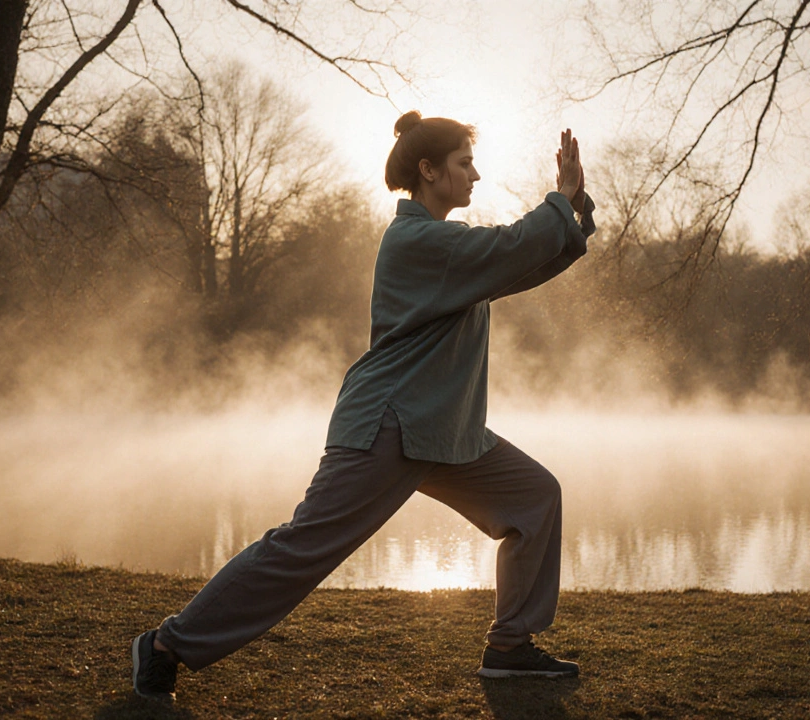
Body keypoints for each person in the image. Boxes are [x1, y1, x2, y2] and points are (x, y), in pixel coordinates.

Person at [132, 111, 597, 702]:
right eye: (464, 163)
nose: (475, 175)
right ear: (429, 171)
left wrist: (571, 209)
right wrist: (559, 201)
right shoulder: (419, 241)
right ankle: (166, 645)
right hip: (390, 425)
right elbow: (510, 248)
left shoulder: (450, 252)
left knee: (534, 498)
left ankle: (509, 648)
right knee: (300, 549)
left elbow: (520, 264)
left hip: (444, 433)